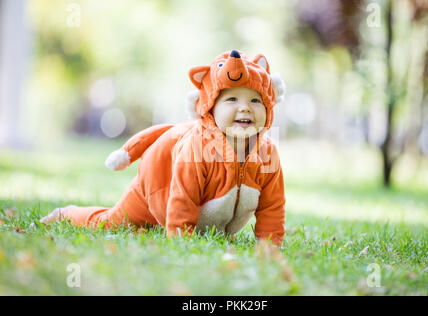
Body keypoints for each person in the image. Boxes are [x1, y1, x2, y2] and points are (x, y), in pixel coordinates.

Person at [40, 49, 287, 246]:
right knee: (115, 222)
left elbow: (272, 204)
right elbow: (182, 196)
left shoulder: (267, 153)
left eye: (255, 100)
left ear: (268, 108)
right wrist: (181, 239)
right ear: (209, 107)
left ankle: (214, 229)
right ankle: (68, 214)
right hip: (156, 183)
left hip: (207, 212)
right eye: (232, 99)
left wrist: (270, 244)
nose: (245, 108)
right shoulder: (197, 148)